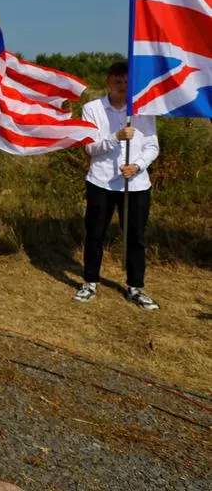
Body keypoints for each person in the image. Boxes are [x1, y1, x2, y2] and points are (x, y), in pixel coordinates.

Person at [74, 61, 159, 310]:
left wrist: (138, 165)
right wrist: (115, 138)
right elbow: (90, 147)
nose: (122, 86)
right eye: (117, 81)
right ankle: (90, 282)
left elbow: (153, 146)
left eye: (126, 81)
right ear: (108, 82)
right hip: (101, 181)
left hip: (136, 184)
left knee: (135, 237)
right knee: (95, 234)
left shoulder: (143, 110)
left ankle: (135, 286)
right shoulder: (92, 109)